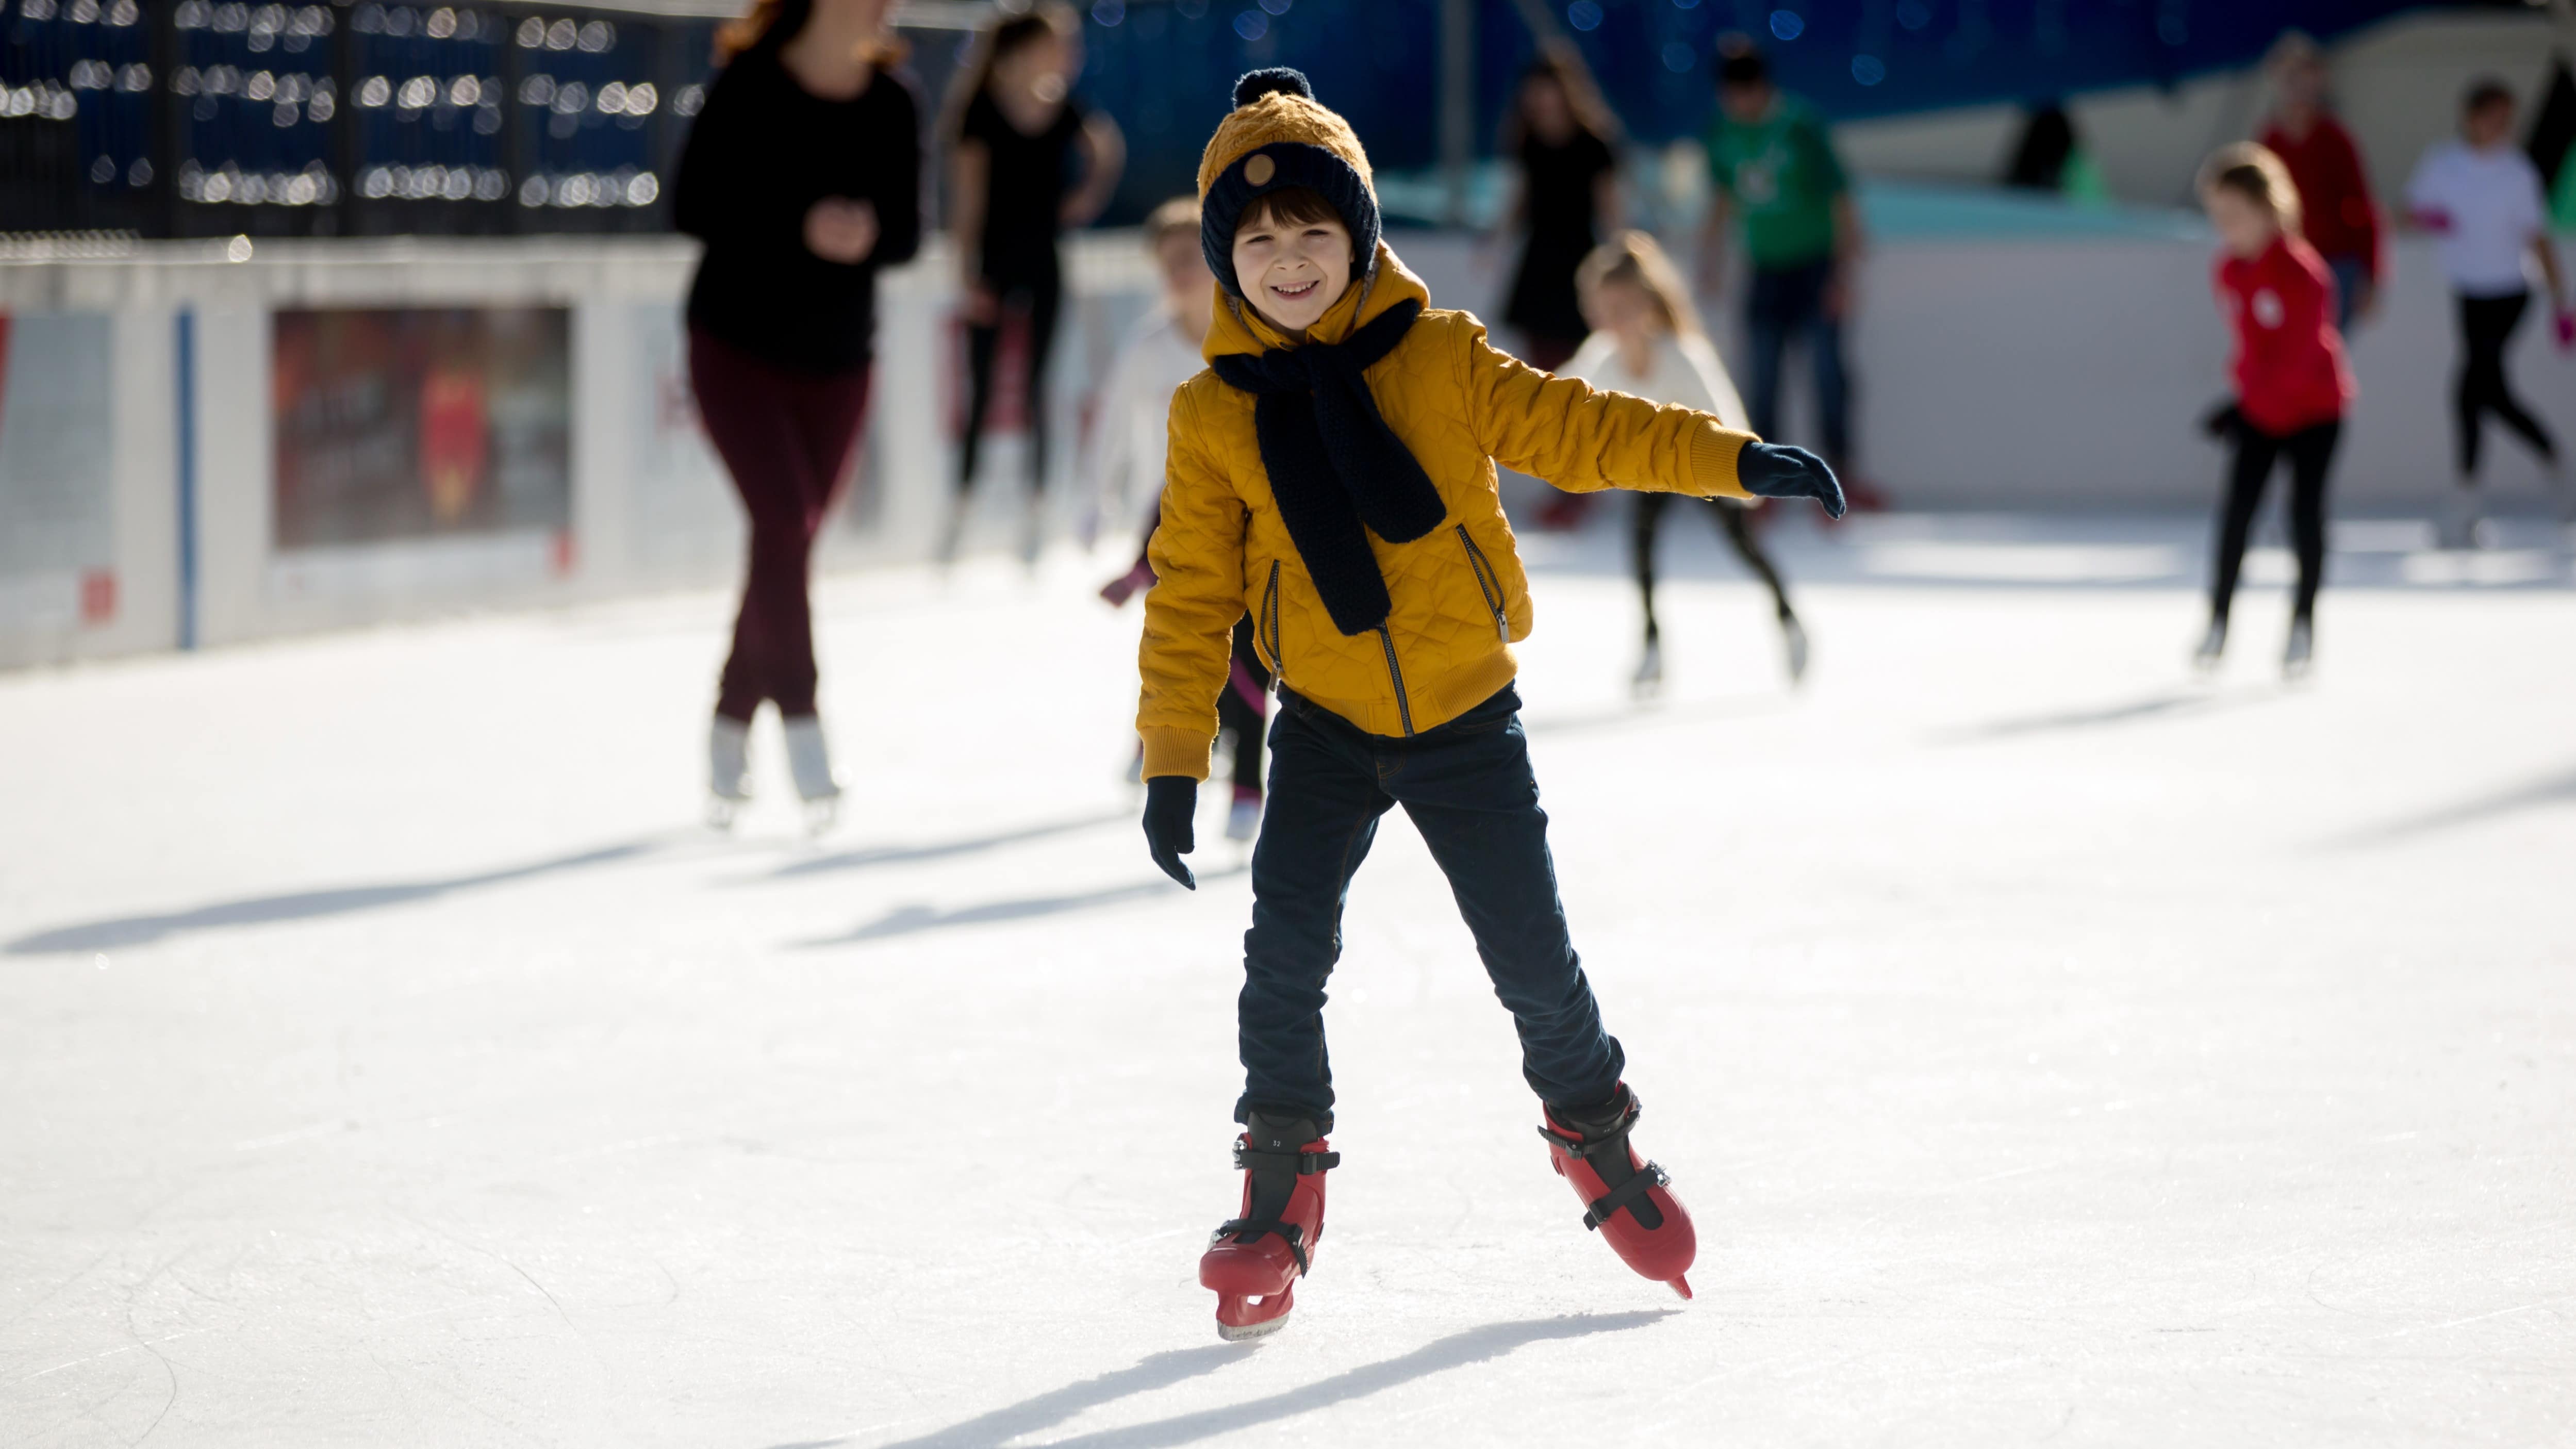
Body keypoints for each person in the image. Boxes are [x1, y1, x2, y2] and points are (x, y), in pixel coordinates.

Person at [1136, 69, 1846, 1342]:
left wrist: (1730, 459)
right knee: (1281, 960)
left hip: (1465, 716)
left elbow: (1586, 429)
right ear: (1223, 257)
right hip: (1325, 727)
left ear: (1355, 235)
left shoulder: (1437, 354)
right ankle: (1276, 1189)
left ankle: (1592, 1131)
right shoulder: (1211, 415)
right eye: (1256, 240)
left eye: (1310, 233)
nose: (1286, 261)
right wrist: (1175, 761)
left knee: (1532, 959)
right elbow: (1188, 595)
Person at [672, 0, 919, 831]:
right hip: (736, 347)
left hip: (841, 360)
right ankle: (806, 725)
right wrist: (801, 222)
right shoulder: (749, 84)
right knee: (784, 521)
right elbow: (693, 206)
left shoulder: (893, 102)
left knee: (791, 537)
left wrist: (866, 231)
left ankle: (729, 723)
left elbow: (910, 234)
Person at [1086, 199, 1272, 842]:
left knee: (1248, 645)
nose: (1179, 271)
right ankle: (1165, 735)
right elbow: (1111, 424)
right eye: (1167, 261)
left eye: (1191, 256)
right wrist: (1096, 504)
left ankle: (1248, 779)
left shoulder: (1255, 334)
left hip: (1251, 512)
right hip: (1170, 514)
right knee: (1184, 641)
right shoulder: (1148, 346)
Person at [1563, 230, 1807, 691]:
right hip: (1653, 470)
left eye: (1625, 308)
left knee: (1744, 546)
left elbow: (1727, 416)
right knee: (1642, 547)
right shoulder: (1600, 356)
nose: (1614, 321)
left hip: (1703, 465)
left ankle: (1789, 620)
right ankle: (1651, 646)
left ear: (1650, 305)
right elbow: (1554, 396)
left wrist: (1745, 479)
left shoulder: (1682, 357)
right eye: (1605, 309)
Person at [941, 2, 1124, 563]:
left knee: (1040, 385)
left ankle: (1037, 507)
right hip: (993, 267)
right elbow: (967, 202)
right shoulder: (981, 111)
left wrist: (1085, 197)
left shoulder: (1064, 109)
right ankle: (962, 506)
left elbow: (1105, 149)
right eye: (1057, 43)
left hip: (1045, 264)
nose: (1068, 54)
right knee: (982, 382)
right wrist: (965, 274)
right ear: (1025, 48)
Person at [2192, 144, 2352, 681]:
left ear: (2267, 208)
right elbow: (2249, 349)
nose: (2226, 227)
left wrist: (2245, 406)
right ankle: (2217, 619)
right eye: (2218, 218)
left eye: (2234, 215)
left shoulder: (2306, 274)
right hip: (2262, 410)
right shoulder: (2229, 272)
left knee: (2304, 514)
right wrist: (2241, 399)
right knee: (2236, 512)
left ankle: (2302, 622)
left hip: (2315, 411)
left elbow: (2299, 361)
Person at [1697, 39, 1876, 507]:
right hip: (1764, 269)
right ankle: (1765, 490)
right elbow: (1720, 200)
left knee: (1828, 376)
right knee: (1761, 378)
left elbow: (1839, 196)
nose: (1740, 105)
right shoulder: (1722, 132)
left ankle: (1843, 480)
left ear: (1764, 87)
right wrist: (1710, 261)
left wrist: (1844, 273)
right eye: (1731, 97)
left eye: (1747, 94)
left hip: (1815, 267)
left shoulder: (1800, 124)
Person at [2406, 78, 2574, 548]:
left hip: (2510, 293)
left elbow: (2537, 238)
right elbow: (2413, 209)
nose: (2499, 126)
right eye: (2491, 116)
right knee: (2489, 392)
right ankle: (2551, 463)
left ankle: (2465, 502)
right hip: (2469, 293)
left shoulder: (2517, 173)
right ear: (2470, 115)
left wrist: (2562, 302)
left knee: (2470, 388)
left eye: (2506, 118)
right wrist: (2428, 219)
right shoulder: (2445, 165)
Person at [1496, 47, 1623, 532]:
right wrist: (1497, 238)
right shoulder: (1528, 141)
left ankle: (1579, 488)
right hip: (1538, 271)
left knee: (1579, 384)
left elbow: (1610, 211)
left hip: (1578, 271)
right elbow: (1521, 199)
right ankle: (1562, 487)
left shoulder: (1595, 143)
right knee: (1541, 386)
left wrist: (1620, 262)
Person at [2257, 32, 2384, 334]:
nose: (2297, 84)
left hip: (2337, 268)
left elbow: (2362, 209)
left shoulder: (2335, 139)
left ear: (2318, 80)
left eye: (2304, 74)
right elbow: (2260, 213)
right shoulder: (2269, 141)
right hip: (2285, 267)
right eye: (2288, 75)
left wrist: (2372, 275)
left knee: (2323, 358)